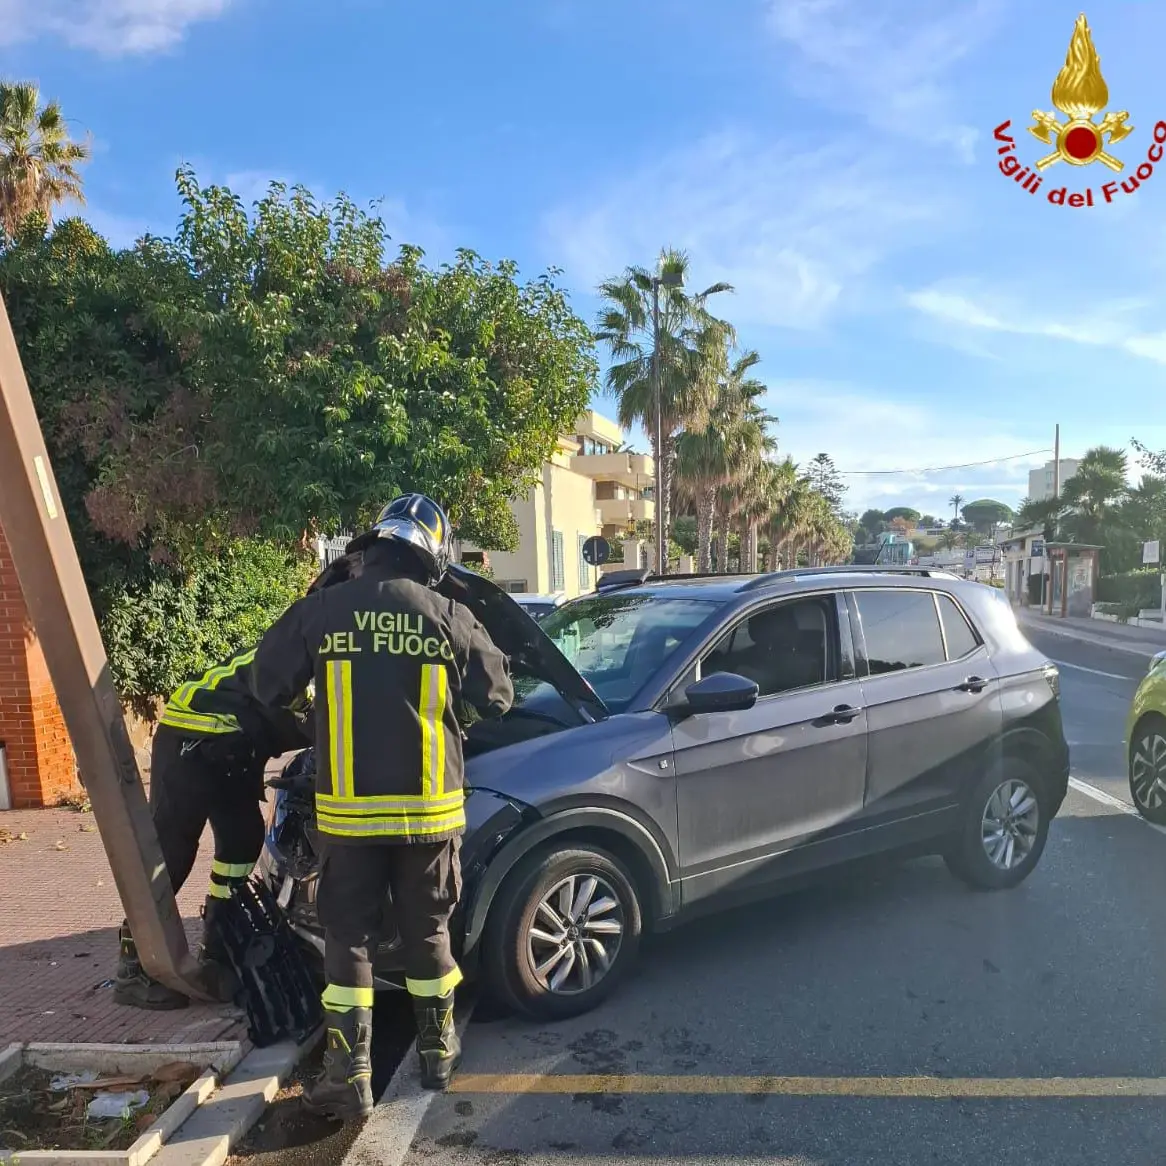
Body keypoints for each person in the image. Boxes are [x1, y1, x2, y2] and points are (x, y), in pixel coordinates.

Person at [248, 494, 513, 1120]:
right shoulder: (447, 612)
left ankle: (350, 1077)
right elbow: (499, 695)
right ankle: (438, 1055)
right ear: (432, 557)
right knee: (429, 933)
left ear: (368, 549)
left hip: (348, 817)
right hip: (429, 815)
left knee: (349, 940)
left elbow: (265, 684)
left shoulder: (322, 610)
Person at [113, 554, 359, 1010]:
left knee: (242, 844)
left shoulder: (339, 652)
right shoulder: (309, 651)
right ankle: (134, 967)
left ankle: (217, 944)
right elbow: (319, 722)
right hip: (195, 734)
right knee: (171, 851)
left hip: (238, 746)